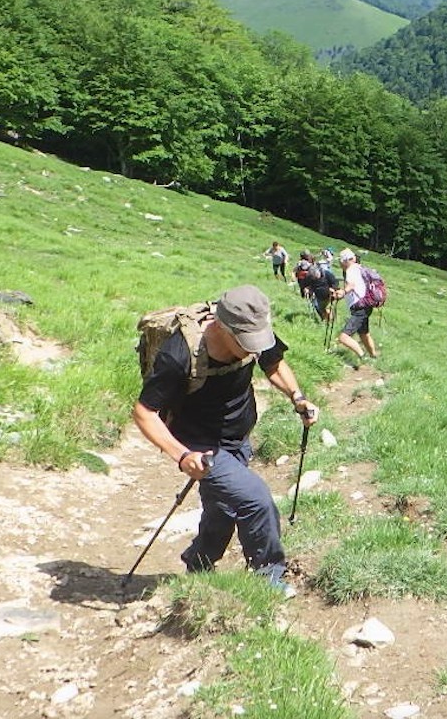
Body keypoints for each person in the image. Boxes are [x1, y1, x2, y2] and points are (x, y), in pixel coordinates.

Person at [131, 285, 317, 596]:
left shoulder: (253, 334)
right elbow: (144, 413)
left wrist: (298, 397)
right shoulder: (178, 355)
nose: (252, 348)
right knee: (256, 499)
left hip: (237, 436)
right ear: (221, 325)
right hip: (200, 445)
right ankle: (267, 581)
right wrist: (182, 456)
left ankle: (198, 564)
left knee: (223, 510)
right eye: (245, 342)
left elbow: (273, 365)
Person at [332, 248, 379, 364]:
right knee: (364, 334)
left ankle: (364, 358)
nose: (340, 264)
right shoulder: (359, 268)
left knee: (343, 337)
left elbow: (351, 285)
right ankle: (374, 357)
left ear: (345, 261)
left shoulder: (350, 270)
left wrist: (342, 292)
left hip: (359, 308)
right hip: (366, 305)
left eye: (341, 261)